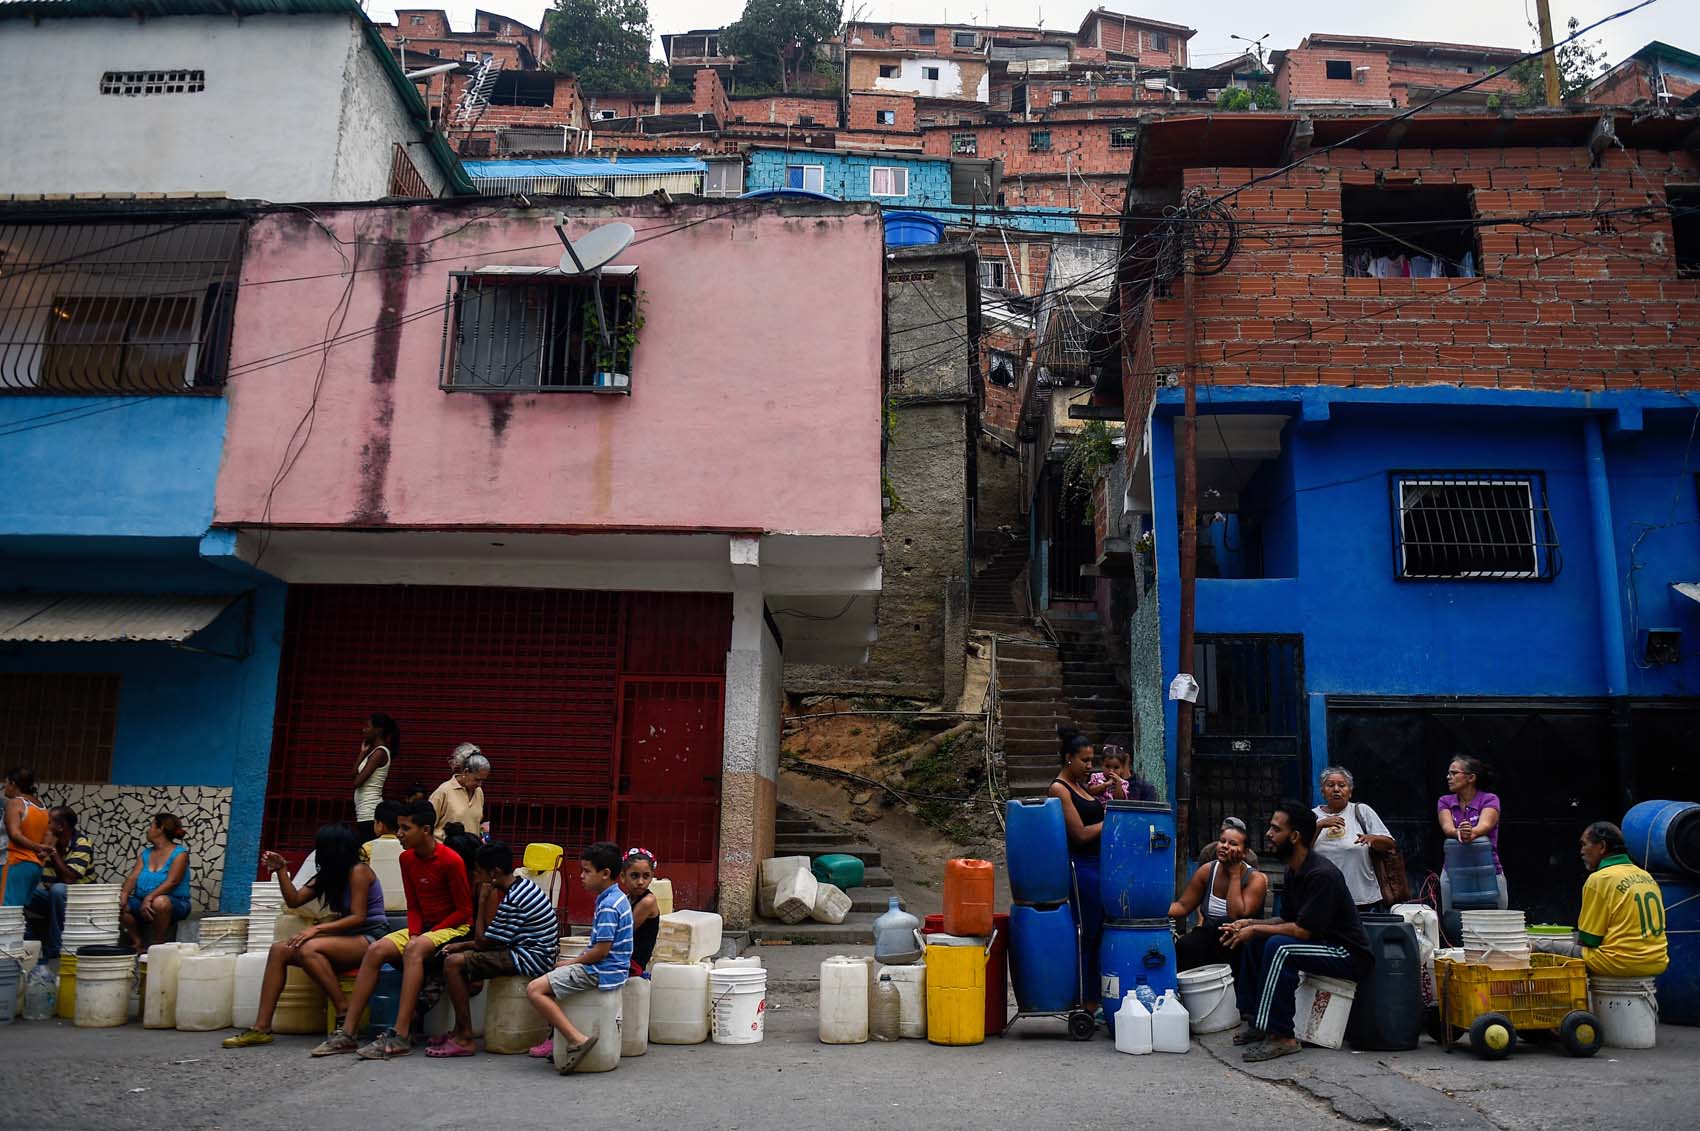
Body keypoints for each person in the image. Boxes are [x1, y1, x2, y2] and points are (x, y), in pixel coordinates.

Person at [310, 801, 472, 1059]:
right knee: (376, 949)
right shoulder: (406, 859)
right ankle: (348, 1033)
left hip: (453, 926)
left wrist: (426, 935)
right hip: (425, 928)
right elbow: (414, 905)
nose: (399, 834)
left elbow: (464, 911)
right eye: (399, 828)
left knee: (413, 948)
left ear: (426, 830)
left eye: (406, 828)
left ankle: (400, 1034)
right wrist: (417, 932)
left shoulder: (451, 861)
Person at [1223, 801, 1371, 1063]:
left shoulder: (1321, 874)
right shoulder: (1294, 869)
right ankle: (1258, 1021)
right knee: (1256, 941)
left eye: (1275, 829)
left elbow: (1302, 932)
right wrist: (1249, 925)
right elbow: (1289, 919)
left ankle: (1282, 1036)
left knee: (1280, 947)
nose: (1268, 834)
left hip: (1346, 953)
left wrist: (1256, 928)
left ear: (1295, 836)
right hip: (1318, 942)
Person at [223, 824, 388, 1047]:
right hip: (346, 938)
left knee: (308, 947)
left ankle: (343, 1010)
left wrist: (316, 930)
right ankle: (261, 1028)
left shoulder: (359, 871)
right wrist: (281, 870)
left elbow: (359, 917)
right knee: (279, 950)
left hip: (371, 936)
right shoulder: (329, 875)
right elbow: (294, 900)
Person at [428, 841, 559, 1058]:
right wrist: (462, 944)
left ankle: (464, 1037)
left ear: (494, 873)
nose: (476, 878)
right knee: (457, 955)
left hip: (530, 958)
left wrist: (482, 901)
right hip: (526, 950)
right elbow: (497, 938)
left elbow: (483, 942)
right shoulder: (522, 887)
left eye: (479, 873)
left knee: (453, 964)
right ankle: (458, 1031)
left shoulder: (514, 898)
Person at [525, 841, 631, 1074]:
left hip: (601, 971)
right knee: (551, 977)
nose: (581, 876)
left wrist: (570, 963)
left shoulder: (608, 906)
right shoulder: (616, 898)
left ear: (605, 874)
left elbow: (601, 951)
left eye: (586, 871)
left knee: (535, 989)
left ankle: (575, 1038)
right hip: (612, 968)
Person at [1530, 822, 1670, 978]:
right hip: (1657, 961)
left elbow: (1589, 940)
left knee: (1543, 946)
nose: (1581, 851)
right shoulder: (1646, 876)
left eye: (1584, 845)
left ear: (1602, 847)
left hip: (1620, 963)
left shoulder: (1600, 878)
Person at [1047, 726, 1104, 1009]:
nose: (1090, 766)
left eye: (1092, 760)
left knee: (1099, 933)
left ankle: (1096, 997)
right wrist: (1112, 821)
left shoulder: (1081, 786)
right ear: (1069, 758)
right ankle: (1084, 1001)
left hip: (1098, 866)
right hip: (1080, 868)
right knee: (1087, 933)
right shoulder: (1059, 789)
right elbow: (1079, 833)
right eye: (1085, 760)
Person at [1170, 818, 1269, 972]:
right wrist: (1151, 909)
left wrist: (1235, 873)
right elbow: (1183, 906)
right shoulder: (1207, 871)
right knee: (1185, 945)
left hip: (1239, 939)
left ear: (1244, 853)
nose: (1225, 846)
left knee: (1224, 924)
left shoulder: (1256, 879)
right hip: (1209, 935)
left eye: (1233, 844)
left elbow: (1235, 915)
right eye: (1222, 841)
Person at [1311, 766, 1397, 913]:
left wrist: (1373, 838)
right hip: (1323, 897)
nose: (1336, 789)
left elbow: (1390, 844)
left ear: (1350, 792)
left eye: (1342, 785)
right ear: (1322, 792)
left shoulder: (1362, 811)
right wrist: (1319, 826)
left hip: (1363, 898)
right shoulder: (1312, 816)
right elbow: (1301, 851)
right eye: (1330, 785)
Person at [24, 806, 96, 959]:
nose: (45, 825)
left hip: (82, 897)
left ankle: (55, 949)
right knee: (22, 891)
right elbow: (44, 880)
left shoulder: (82, 842)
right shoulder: (49, 840)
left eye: (49, 822)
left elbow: (70, 879)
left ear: (61, 827)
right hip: (55, 895)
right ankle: (30, 942)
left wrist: (53, 852)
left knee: (58, 890)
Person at [1437, 755, 1507, 911]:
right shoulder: (1445, 801)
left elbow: (1486, 825)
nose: (1449, 777)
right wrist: (1460, 833)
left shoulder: (1489, 799)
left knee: (1496, 922)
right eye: (1449, 773)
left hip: (1489, 872)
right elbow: (1448, 829)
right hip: (1453, 874)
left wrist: (1472, 832)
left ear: (1471, 777)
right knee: (1454, 924)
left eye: (1454, 773)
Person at [119, 813, 191, 951]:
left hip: (175, 903)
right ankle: (137, 942)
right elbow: (133, 877)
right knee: (117, 903)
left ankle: (158, 944)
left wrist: (149, 898)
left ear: (161, 829)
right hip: (142, 902)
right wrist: (124, 893)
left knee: (160, 902)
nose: (148, 830)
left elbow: (173, 881)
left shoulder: (180, 853)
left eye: (151, 826)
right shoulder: (146, 853)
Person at [2, 768, 50, 906]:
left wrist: (38, 846)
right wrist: (41, 849)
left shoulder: (15, 803)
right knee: (18, 912)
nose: (4, 786)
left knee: (5, 912)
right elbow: (47, 834)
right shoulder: (41, 807)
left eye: (6, 783)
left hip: (14, 862)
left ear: (13, 783)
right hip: (34, 867)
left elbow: (15, 834)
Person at [355, 713, 399, 842]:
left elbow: (357, 781)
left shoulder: (380, 752)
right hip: (364, 810)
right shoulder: (373, 752)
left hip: (369, 810)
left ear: (378, 730)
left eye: (368, 726)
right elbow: (353, 774)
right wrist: (362, 753)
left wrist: (358, 776)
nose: (364, 730)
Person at [430, 745, 489, 840]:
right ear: (466, 772)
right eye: (477, 780)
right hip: (446, 850)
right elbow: (427, 826)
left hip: (470, 851)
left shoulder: (479, 792)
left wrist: (487, 842)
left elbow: (481, 825)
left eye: (483, 780)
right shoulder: (443, 791)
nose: (480, 784)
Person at [623, 848, 662, 973]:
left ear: (652, 877)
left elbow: (622, 934)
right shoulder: (627, 898)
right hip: (622, 960)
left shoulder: (647, 902)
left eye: (646, 876)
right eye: (635, 876)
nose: (640, 882)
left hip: (632, 965)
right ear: (623, 877)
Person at [1086, 746, 1158, 803]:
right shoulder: (1096, 777)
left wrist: (1118, 784)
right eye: (1107, 766)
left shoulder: (1123, 783)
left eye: (1116, 768)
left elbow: (1120, 800)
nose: (1111, 770)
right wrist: (1105, 785)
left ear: (1123, 768)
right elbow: (1090, 791)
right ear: (1102, 765)